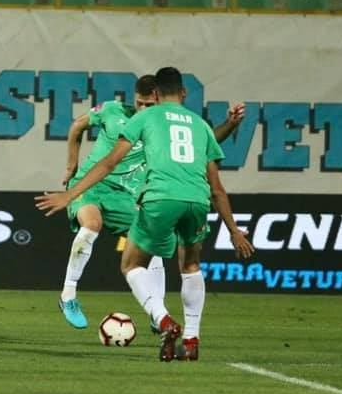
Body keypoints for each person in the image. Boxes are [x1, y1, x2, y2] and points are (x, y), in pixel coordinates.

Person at [37, 67, 254, 362]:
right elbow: (215, 184)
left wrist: (67, 196)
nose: (143, 107)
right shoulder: (195, 122)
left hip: (151, 197)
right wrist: (233, 229)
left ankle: (161, 318)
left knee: (135, 261)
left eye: (148, 102)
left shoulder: (148, 119)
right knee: (188, 264)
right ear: (183, 92)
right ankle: (71, 296)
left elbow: (110, 162)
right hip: (189, 197)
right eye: (139, 103)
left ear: (157, 95)